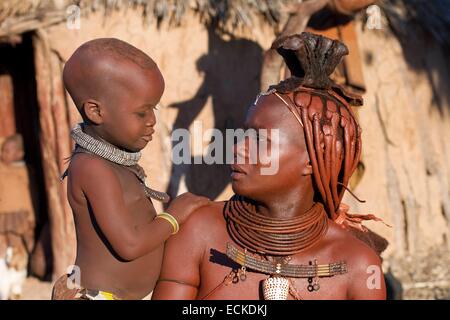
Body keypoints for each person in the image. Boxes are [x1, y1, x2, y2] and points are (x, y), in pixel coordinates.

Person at [153, 33, 387, 300]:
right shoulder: (199, 231)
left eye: (259, 139)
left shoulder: (358, 265)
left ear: (312, 159)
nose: (238, 147)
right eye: (243, 135)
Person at [51, 38, 209, 300]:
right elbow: (129, 245)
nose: (153, 121)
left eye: (154, 109)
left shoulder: (117, 163)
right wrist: (173, 217)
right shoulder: (92, 167)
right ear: (96, 111)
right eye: (141, 113)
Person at [0, 134, 35, 299]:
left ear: (20, 153)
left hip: (20, 217)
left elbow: (32, 196)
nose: (4, 154)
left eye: (8, 151)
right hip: (2, 216)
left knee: (18, 252)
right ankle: (3, 288)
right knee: (1, 251)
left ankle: (16, 287)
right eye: (3, 151)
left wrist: (32, 216)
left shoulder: (26, 171)